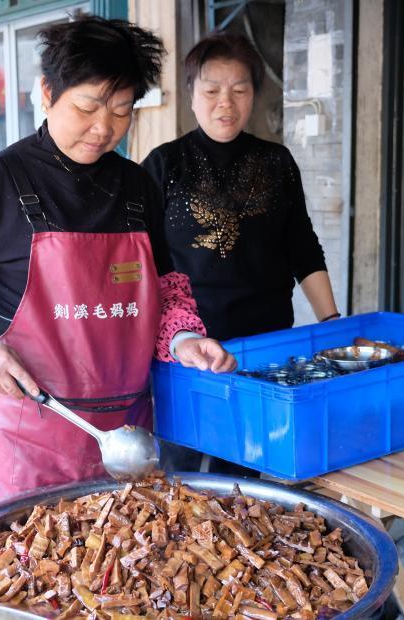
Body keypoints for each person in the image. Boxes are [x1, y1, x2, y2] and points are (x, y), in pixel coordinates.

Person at [0, 16, 236, 512]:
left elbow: (167, 292)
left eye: (121, 111)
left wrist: (184, 341)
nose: (103, 129)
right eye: (88, 107)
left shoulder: (138, 188)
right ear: (47, 93)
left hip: (125, 448)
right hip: (23, 450)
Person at [142, 32, 338, 474]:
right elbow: (143, 264)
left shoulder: (277, 162)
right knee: (184, 473)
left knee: (247, 468)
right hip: (186, 350)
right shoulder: (163, 165)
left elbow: (302, 246)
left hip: (264, 346)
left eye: (240, 90)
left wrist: (330, 323)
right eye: (211, 90)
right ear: (191, 95)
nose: (225, 103)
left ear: (253, 96)